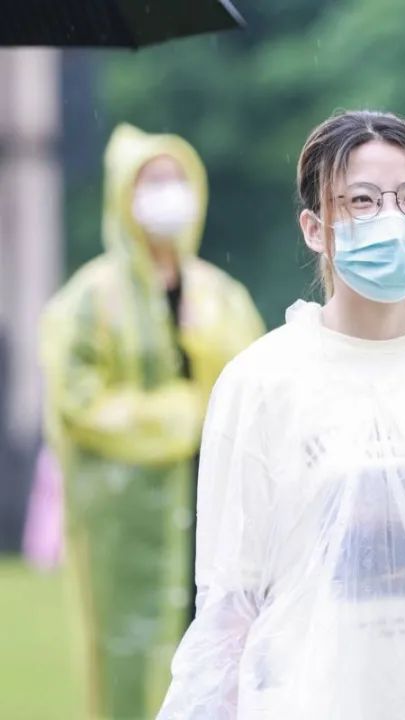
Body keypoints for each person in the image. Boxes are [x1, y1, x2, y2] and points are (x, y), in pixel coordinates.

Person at [156, 110, 405, 719]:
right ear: (314, 228)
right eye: (362, 201)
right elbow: (230, 601)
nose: (392, 217)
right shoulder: (262, 383)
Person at [39, 123, 264, 720]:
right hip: (124, 515)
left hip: (214, 500)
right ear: (123, 195)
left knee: (221, 642)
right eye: (152, 182)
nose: (168, 195)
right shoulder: (91, 298)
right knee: (125, 649)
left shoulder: (219, 294)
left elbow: (257, 385)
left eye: (176, 180)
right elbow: (77, 401)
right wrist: (179, 415)